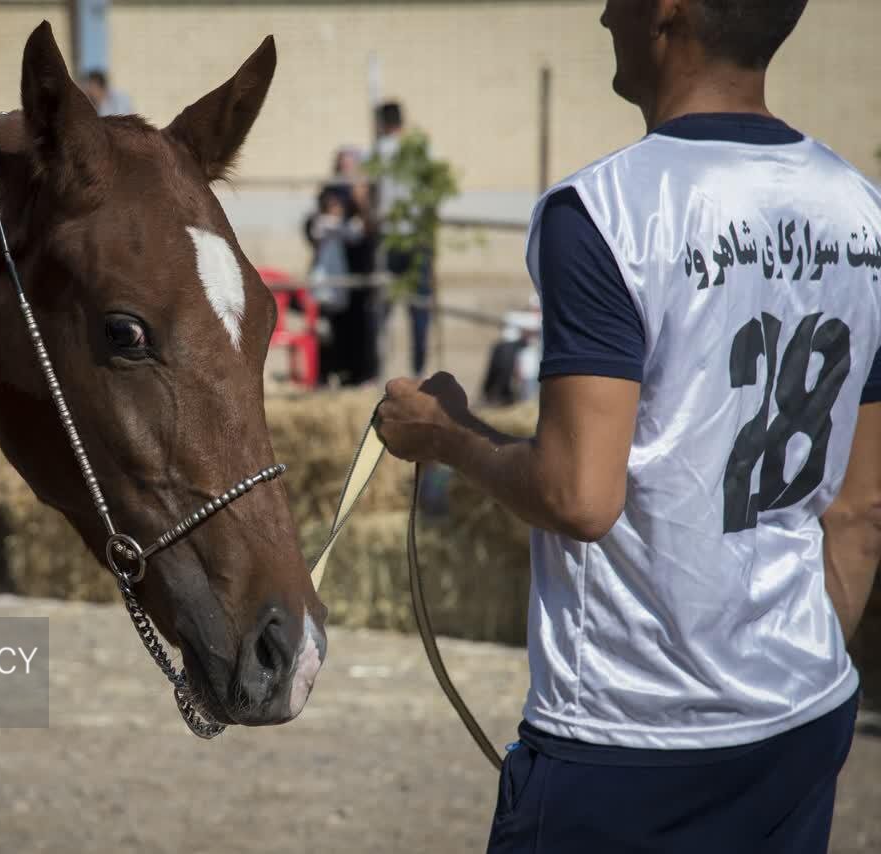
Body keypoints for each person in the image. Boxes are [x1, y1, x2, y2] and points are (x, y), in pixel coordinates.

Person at [375, 2, 881, 852]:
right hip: (803, 714)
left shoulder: (606, 212)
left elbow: (579, 497)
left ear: (669, 10)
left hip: (627, 740)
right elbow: (862, 515)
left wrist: (447, 433)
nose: (605, 12)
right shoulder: (862, 211)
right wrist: (785, 674)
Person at [305, 146, 379, 386]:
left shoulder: (366, 193)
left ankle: (356, 375)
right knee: (328, 329)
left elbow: (364, 232)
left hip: (356, 277)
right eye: (343, 165)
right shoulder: (328, 200)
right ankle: (325, 374)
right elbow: (315, 226)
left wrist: (362, 201)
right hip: (330, 278)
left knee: (357, 329)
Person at [372, 100, 433, 377]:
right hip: (418, 236)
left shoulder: (378, 151)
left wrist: (370, 217)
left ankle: (377, 368)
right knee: (419, 307)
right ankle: (418, 371)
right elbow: (433, 191)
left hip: (389, 236)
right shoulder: (421, 151)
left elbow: (362, 189)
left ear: (383, 123)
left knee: (381, 305)